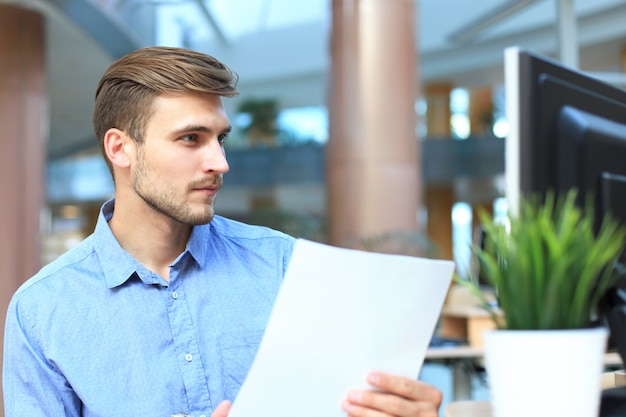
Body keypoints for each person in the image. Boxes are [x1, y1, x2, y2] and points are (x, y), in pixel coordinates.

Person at [3, 46, 443, 417]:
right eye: (191, 139)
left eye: (220, 138)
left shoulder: (284, 267)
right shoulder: (42, 312)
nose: (219, 162)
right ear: (121, 148)